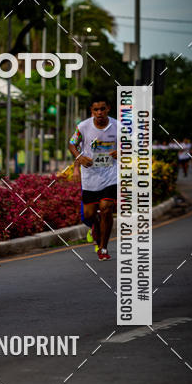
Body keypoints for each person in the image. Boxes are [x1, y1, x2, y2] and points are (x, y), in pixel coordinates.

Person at [68, 96, 119, 261]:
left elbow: (130, 144)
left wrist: (122, 152)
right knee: (90, 215)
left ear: (108, 109)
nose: (99, 112)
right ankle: (96, 228)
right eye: (96, 109)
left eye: (102, 109)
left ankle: (103, 248)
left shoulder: (118, 126)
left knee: (106, 208)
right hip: (90, 176)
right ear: (91, 111)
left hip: (110, 174)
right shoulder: (83, 126)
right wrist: (79, 157)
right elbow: (72, 143)